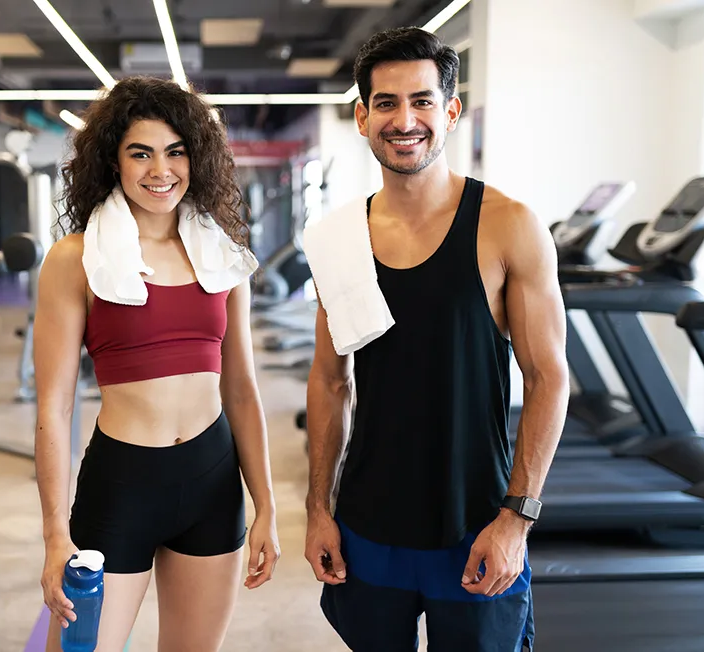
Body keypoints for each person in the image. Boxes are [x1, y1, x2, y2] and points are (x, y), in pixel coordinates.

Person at [301, 27, 569, 651]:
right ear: (363, 116)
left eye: (422, 101)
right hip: (368, 525)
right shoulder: (338, 238)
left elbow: (548, 377)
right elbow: (328, 380)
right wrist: (319, 508)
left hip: (475, 525)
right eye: (387, 103)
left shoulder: (509, 226)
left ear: (450, 110)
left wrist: (516, 518)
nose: (405, 120)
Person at [34, 76, 280, 652]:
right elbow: (54, 404)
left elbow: (241, 390)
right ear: (112, 161)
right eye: (139, 152)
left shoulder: (222, 255)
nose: (159, 169)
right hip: (121, 485)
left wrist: (266, 503)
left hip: (212, 481)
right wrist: (53, 532)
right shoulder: (76, 260)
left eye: (175, 151)